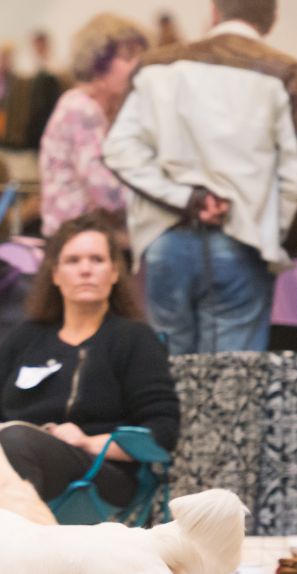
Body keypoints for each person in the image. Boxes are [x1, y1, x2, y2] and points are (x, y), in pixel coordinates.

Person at [102, 0, 297, 355]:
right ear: (271, 19)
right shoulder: (283, 72)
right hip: (243, 239)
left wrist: (185, 198)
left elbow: (119, 150)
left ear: (214, 12)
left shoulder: (156, 66)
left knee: (171, 376)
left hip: (165, 238)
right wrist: (277, 240)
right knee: (232, 382)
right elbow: (293, 175)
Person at [0, 213, 179, 507]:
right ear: (55, 274)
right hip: (12, 456)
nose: (85, 270)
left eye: (97, 260)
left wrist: (87, 442)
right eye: (73, 261)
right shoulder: (26, 337)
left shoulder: (134, 338)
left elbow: (162, 433)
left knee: (17, 441)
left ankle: (11, 546)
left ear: (114, 272)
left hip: (99, 471)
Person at [39, 14, 148, 238]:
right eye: (128, 57)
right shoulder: (83, 109)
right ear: (98, 62)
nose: (138, 65)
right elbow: (107, 194)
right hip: (74, 242)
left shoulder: (88, 107)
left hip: (80, 236)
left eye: (140, 56)